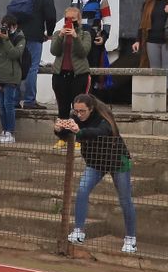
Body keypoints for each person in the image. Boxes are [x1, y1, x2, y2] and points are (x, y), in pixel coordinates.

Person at [58, 95, 138, 253]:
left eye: (82, 111)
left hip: (117, 161)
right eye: (76, 110)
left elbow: (99, 131)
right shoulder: (75, 117)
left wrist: (78, 131)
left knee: (125, 199)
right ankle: (79, 231)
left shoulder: (104, 118)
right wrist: (59, 129)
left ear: (91, 109)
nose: (79, 114)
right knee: (82, 189)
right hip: (95, 161)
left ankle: (131, 238)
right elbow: (66, 135)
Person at [11, 0, 56, 108]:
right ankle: (29, 101)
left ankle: (15, 100)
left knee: (18, 67)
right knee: (32, 67)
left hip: (17, 37)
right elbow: (51, 16)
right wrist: (50, 33)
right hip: (34, 37)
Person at [50, 6, 92, 128]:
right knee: (62, 108)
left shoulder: (85, 34)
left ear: (78, 20)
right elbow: (54, 51)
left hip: (78, 75)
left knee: (78, 108)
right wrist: (61, 36)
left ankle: (78, 136)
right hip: (60, 75)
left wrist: (75, 37)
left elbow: (83, 52)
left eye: (72, 18)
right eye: (67, 18)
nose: (69, 21)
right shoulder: (58, 33)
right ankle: (63, 136)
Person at [0, 14, 26, 143]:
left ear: (14, 26)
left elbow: (14, 54)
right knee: (1, 106)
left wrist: (6, 39)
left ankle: (10, 132)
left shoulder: (19, 38)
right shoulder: (0, 37)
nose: (6, 29)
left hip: (11, 76)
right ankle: (4, 131)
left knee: (8, 105)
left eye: (8, 26)